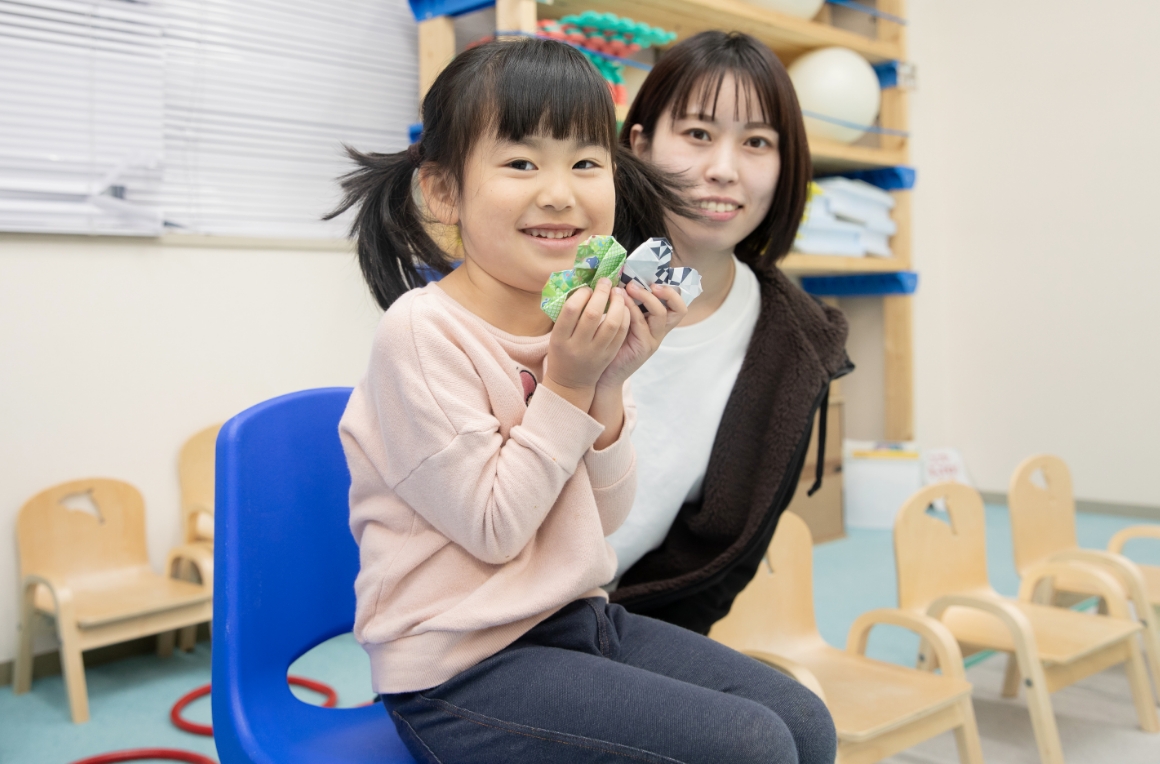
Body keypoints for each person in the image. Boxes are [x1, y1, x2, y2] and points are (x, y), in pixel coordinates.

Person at [327, 38, 836, 764]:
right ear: (443, 191)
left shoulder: (564, 317)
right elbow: (496, 527)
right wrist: (569, 383)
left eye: (585, 163)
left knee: (802, 721)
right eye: (521, 162)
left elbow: (603, 516)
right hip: (458, 668)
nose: (560, 191)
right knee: (749, 746)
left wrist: (611, 381)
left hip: (571, 622)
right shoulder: (421, 331)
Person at [606, 31, 853, 634]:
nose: (723, 169)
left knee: (791, 722)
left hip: (635, 627)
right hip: (499, 616)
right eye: (697, 134)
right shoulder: (569, 283)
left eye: (757, 142)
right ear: (638, 146)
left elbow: (718, 564)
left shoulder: (796, 340)